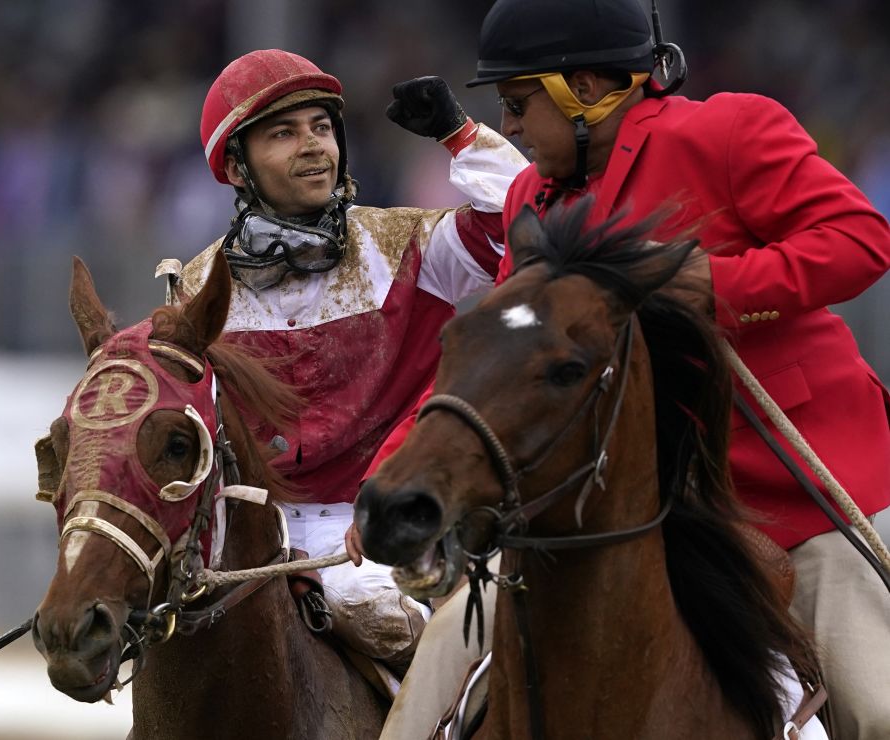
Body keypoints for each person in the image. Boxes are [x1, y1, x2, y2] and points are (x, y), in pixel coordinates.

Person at [357, 0, 890, 737]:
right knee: (425, 696)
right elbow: (502, 355)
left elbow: (861, 239)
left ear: (588, 88)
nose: (508, 128)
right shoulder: (528, 197)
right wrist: (397, 464)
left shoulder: (729, 130)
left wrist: (720, 286)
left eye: (518, 105)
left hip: (798, 492)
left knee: (878, 706)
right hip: (624, 510)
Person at [170, 49, 527, 674]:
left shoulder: (410, 242)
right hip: (249, 546)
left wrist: (460, 135)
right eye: (284, 132)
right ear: (235, 164)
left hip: (391, 538)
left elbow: (526, 220)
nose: (314, 147)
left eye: (322, 127)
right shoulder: (197, 290)